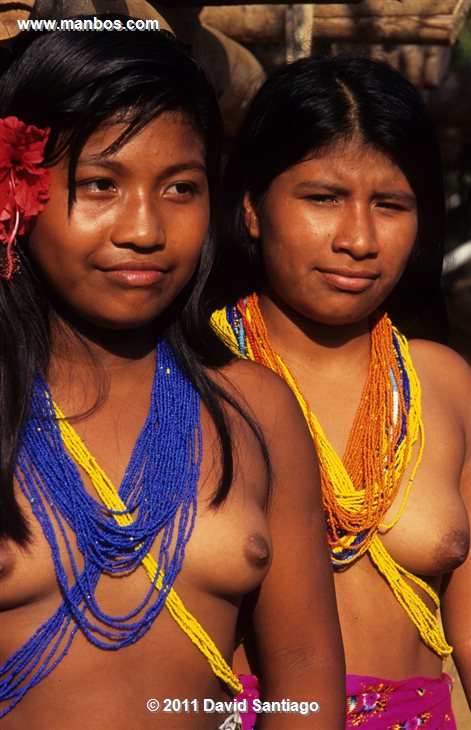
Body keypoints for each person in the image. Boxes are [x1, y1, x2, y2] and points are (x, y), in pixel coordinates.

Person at [0, 30, 346, 729]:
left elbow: (305, 673)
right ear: (15, 194)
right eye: (101, 184)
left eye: (180, 188)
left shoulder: (253, 408)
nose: (145, 229)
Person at [211, 56, 471, 728]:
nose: (357, 239)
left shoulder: (443, 385)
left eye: (389, 205)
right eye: (322, 198)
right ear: (250, 207)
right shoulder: (191, 376)